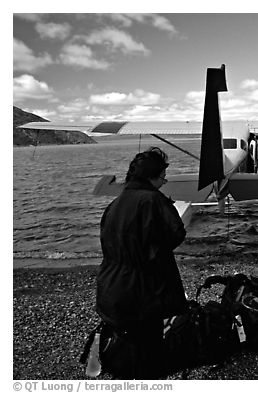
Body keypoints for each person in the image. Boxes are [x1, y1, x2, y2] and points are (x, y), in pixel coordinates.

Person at [97, 147, 188, 378]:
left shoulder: (115, 204)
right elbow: (176, 234)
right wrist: (168, 208)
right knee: (151, 354)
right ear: (152, 176)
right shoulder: (153, 200)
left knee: (128, 348)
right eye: (162, 176)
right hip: (142, 293)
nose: (165, 180)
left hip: (110, 287)